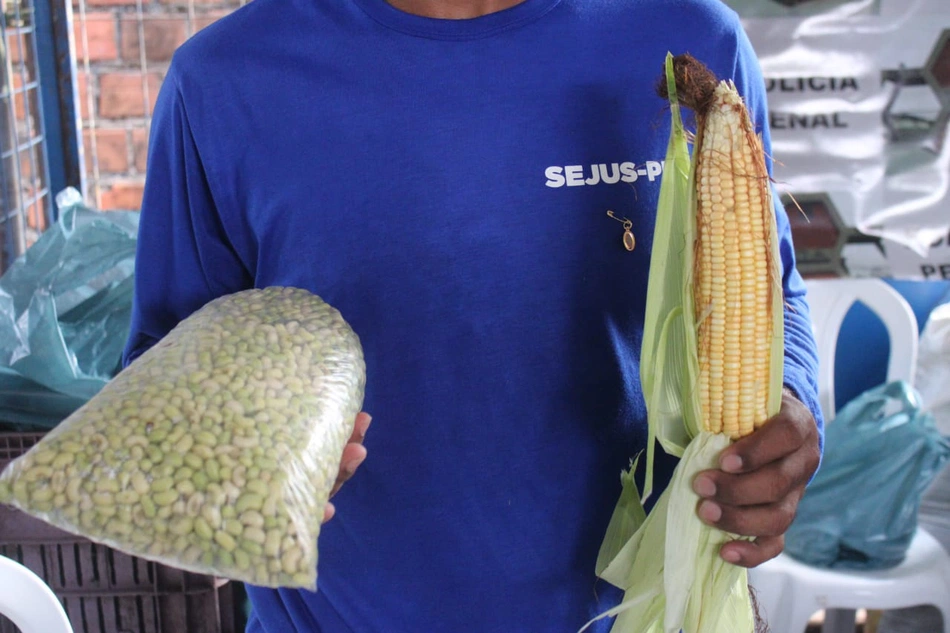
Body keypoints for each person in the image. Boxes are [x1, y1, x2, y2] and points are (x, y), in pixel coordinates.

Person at [121, 0, 825, 631]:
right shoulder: (223, 81)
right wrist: (231, 469)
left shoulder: (691, 37)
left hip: (647, 612)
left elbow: (775, 293)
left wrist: (788, 398)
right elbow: (161, 384)